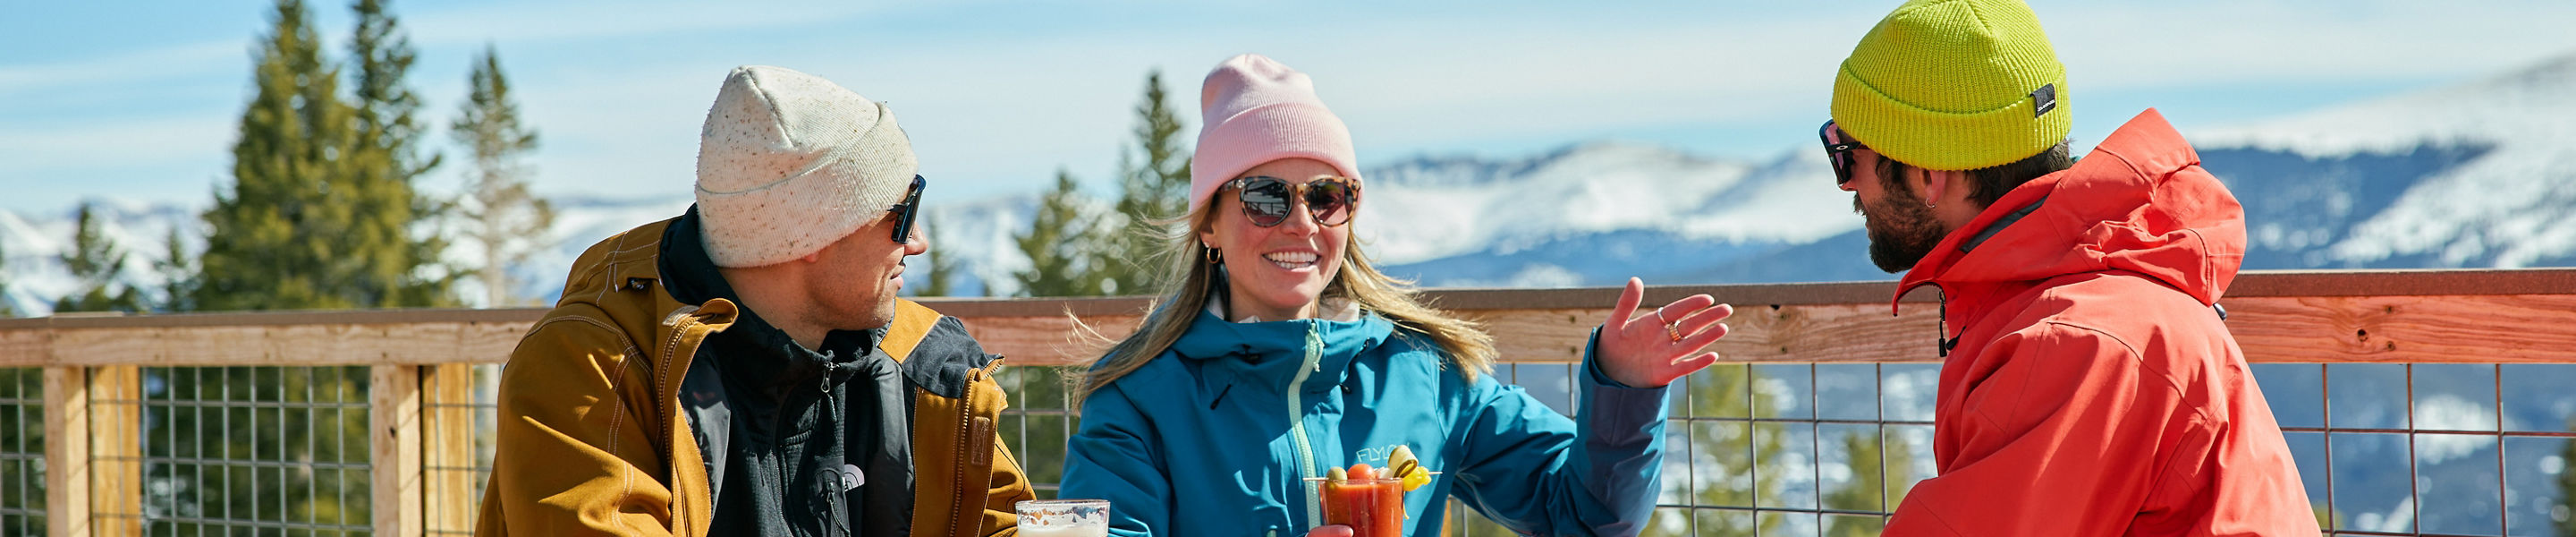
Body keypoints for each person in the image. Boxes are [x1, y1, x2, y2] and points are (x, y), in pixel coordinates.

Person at [1057, 53, 1736, 537]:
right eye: (1265, 196)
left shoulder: (1424, 374)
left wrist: (1621, 391)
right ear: (1209, 221)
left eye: (1327, 196)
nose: (1301, 223)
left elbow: (1585, 517)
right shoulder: (1139, 398)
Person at [1819, 1, 2318, 534]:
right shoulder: (2082, 292)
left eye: (1846, 153)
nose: (1847, 183)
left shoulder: (2068, 344)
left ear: (1924, 175)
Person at [479, 65, 1033, 537]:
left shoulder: (924, 369)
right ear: (812, 233)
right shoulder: (588, 370)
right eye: (900, 213)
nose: (916, 242)